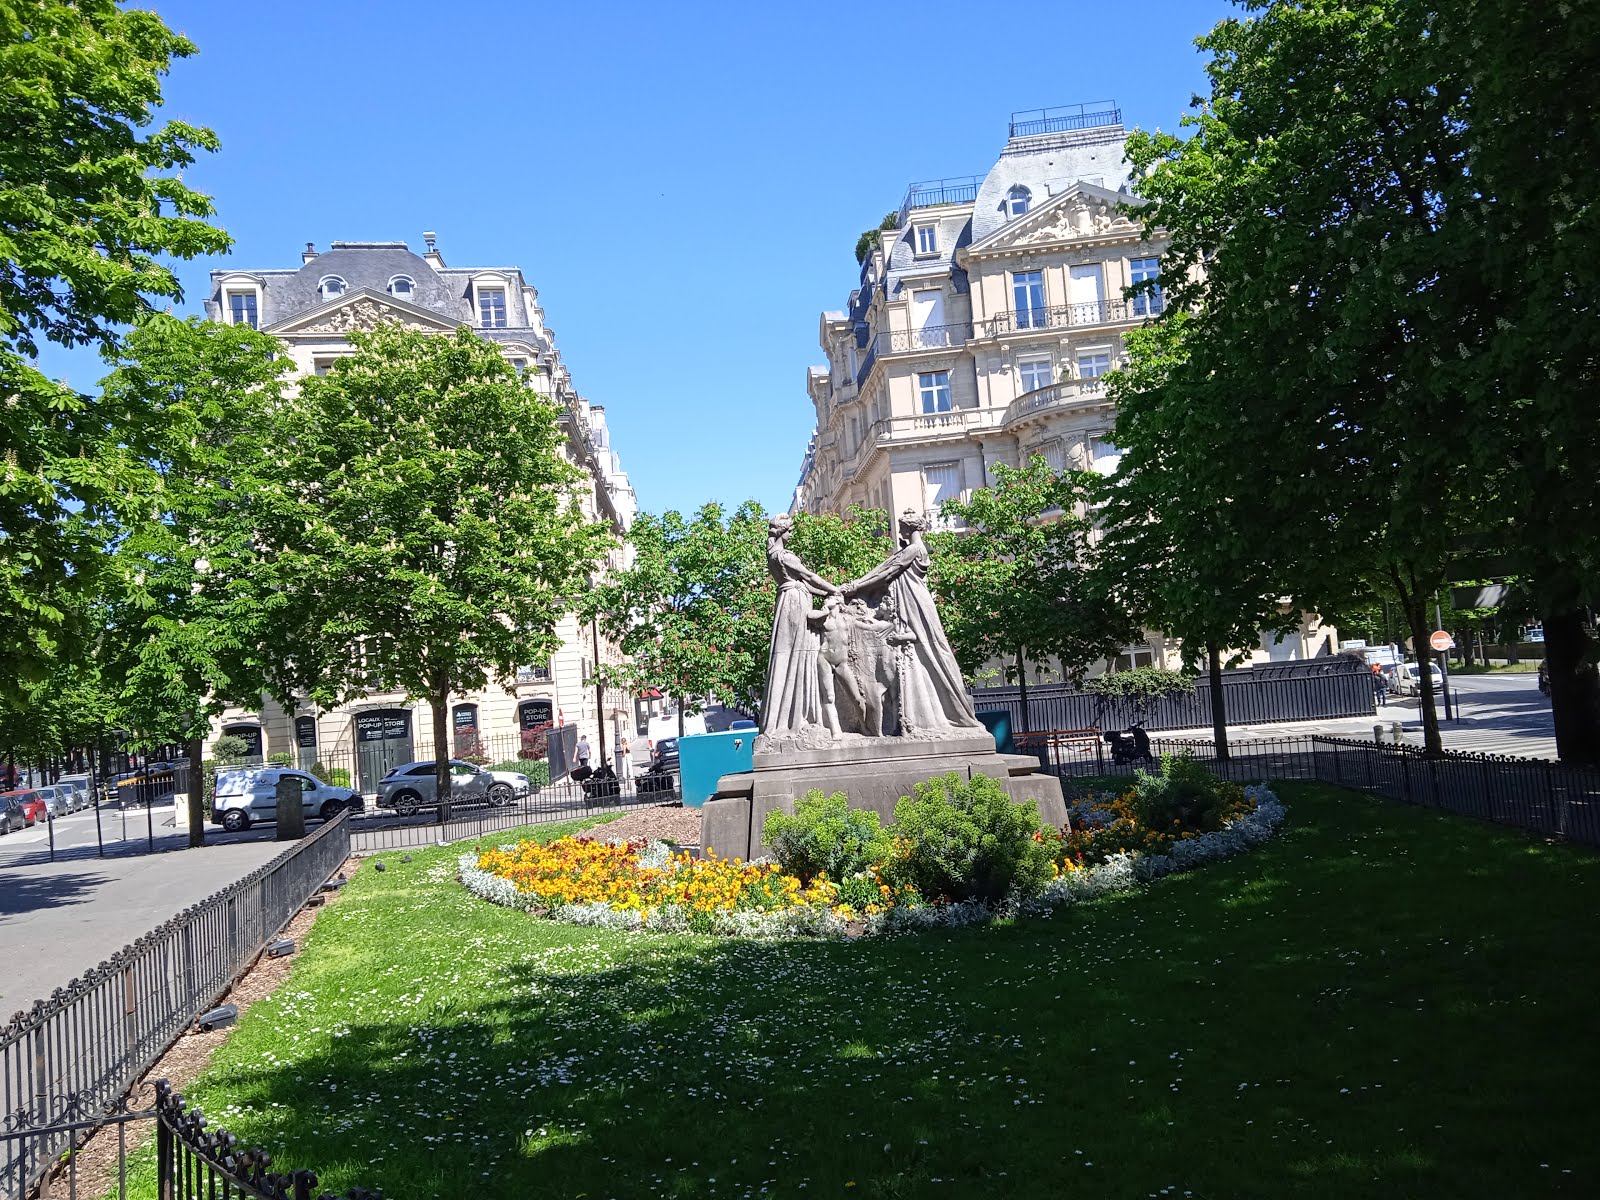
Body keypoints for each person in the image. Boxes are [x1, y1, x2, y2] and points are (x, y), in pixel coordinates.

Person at [843, 510, 985, 737]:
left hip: (915, 603)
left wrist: (856, 585)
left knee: (933, 650)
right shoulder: (916, 549)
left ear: (910, 528)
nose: (900, 531)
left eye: (902, 527)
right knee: (926, 653)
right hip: (915, 601)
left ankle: (956, 712)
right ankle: (923, 714)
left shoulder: (913, 549)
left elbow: (887, 570)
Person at [760, 513, 841, 739]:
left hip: (788, 601)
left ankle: (792, 715)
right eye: (790, 530)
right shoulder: (785, 556)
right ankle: (799, 719)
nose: (792, 533)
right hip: (795, 603)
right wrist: (834, 589)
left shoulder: (772, 554)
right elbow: (810, 577)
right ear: (782, 531)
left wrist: (829, 592)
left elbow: (805, 583)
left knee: (792, 656)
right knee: (800, 655)